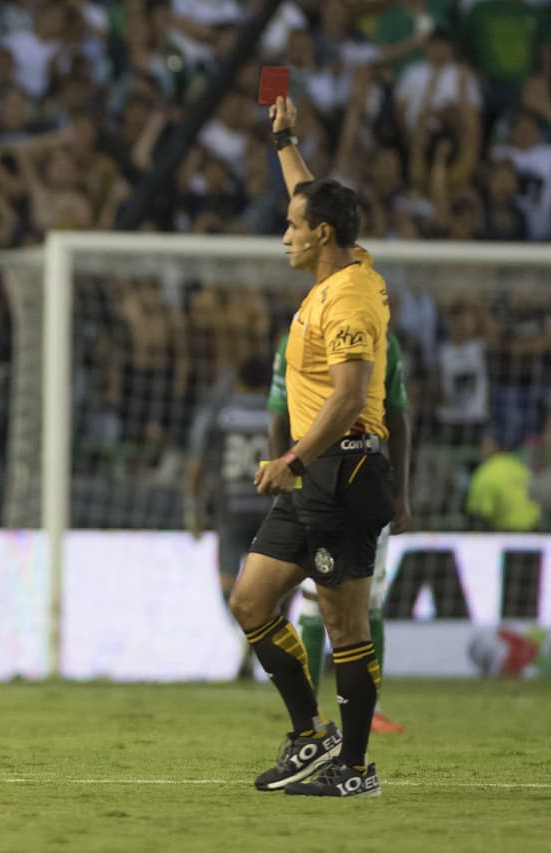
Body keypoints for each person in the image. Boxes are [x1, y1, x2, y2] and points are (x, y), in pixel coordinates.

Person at [227, 96, 395, 798]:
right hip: (315, 469)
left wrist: (292, 458)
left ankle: (355, 768)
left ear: (321, 235)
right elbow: (307, 191)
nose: (284, 235)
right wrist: (286, 138)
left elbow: (351, 397)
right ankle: (309, 735)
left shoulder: (349, 300)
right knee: (251, 600)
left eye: (293, 227)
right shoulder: (337, 269)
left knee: (341, 618)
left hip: (345, 464)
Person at [268, 329, 413, 734]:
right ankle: (310, 715)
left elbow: (398, 415)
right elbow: (278, 416)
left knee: (370, 601)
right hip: (311, 476)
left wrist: (402, 494)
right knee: (313, 601)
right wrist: (286, 478)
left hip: (364, 476)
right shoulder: (293, 339)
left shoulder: (383, 341)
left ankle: (371, 710)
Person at [184, 356, 277, 680]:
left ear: (237, 379)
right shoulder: (279, 412)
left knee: (228, 585)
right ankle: (260, 641)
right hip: (269, 510)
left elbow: (195, 462)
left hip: (230, 509)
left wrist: (191, 506)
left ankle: (249, 638)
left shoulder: (218, 413)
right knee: (276, 586)